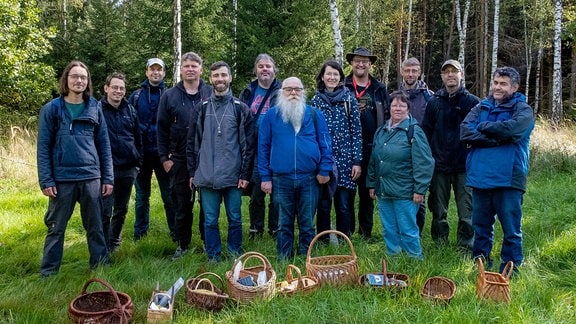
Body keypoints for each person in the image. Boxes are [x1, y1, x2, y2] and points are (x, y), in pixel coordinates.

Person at [37, 60, 112, 276]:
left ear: (87, 82)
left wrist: (108, 178)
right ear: (66, 80)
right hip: (62, 179)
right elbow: (43, 147)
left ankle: (100, 267)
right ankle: (49, 272)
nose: (79, 80)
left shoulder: (95, 107)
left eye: (83, 77)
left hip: (91, 177)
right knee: (55, 228)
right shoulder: (51, 109)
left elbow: (104, 145)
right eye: (74, 77)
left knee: (95, 226)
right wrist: (46, 180)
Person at [461, 67, 534, 272]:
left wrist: (483, 127)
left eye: (503, 84)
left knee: (511, 229)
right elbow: (465, 131)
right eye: (495, 83)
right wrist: (496, 139)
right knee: (481, 228)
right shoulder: (481, 107)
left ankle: (510, 269)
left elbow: (513, 130)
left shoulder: (523, 109)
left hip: (509, 178)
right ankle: (481, 265)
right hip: (480, 176)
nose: (497, 87)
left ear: (515, 87)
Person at [187, 61, 255, 262]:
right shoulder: (201, 108)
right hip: (207, 175)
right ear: (210, 79)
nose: (220, 79)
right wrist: (193, 173)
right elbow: (192, 143)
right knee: (209, 220)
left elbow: (248, 146)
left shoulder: (240, 109)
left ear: (230, 78)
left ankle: (235, 255)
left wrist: (245, 174)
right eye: (216, 76)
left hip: (233, 176)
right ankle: (213, 256)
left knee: (235, 218)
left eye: (223, 75)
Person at [259, 77, 334, 259]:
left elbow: (325, 143)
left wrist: (324, 169)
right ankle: (284, 259)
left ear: (303, 92)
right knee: (284, 223)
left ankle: (307, 259)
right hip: (280, 178)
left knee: (307, 223)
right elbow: (263, 146)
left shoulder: (315, 114)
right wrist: (265, 177)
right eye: (288, 89)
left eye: (297, 89)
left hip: (309, 177)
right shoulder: (271, 115)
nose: (293, 93)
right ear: (281, 92)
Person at [157, 52, 213, 260]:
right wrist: (165, 158)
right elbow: (161, 129)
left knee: (207, 204)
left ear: (201, 69)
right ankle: (183, 244)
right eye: (186, 65)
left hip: (206, 157)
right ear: (180, 69)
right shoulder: (170, 95)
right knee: (182, 204)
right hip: (178, 158)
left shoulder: (209, 92)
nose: (190, 69)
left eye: (194, 66)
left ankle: (208, 242)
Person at [421, 59, 480, 250]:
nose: (450, 75)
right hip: (439, 166)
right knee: (438, 211)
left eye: (454, 72)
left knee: (467, 212)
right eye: (446, 72)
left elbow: (479, 133)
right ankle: (440, 243)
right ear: (442, 77)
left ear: (461, 74)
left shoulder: (472, 102)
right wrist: (428, 160)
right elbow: (426, 133)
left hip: (465, 166)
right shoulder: (434, 103)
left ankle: (466, 246)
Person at [367, 91, 434, 259]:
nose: (398, 108)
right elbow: (374, 160)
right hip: (384, 190)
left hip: (405, 191)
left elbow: (425, 162)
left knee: (408, 229)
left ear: (408, 109)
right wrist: (372, 184)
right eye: (394, 104)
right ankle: (394, 259)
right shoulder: (381, 131)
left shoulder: (413, 131)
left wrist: (420, 190)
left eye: (402, 105)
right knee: (388, 228)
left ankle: (414, 260)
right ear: (389, 107)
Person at [311, 60, 362, 238]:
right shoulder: (315, 101)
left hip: (346, 160)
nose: (332, 77)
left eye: (335, 74)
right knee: (323, 204)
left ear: (340, 77)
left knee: (344, 204)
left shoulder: (349, 99)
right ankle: (322, 241)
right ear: (322, 77)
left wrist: (357, 161)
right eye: (328, 74)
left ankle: (344, 239)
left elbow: (356, 131)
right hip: (324, 161)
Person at [344, 46, 390, 240]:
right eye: (357, 60)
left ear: (370, 64)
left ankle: (365, 233)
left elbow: (387, 116)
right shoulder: (343, 85)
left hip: (372, 148)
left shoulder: (379, 89)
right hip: (347, 148)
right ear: (352, 63)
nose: (361, 64)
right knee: (346, 193)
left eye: (365, 60)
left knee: (367, 193)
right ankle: (345, 233)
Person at [128, 58, 175, 241]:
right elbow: (129, 124)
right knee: (141, 197)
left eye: (159, 69)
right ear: (146, 72)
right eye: (152, 69)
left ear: (164, 73)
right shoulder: (137, 96)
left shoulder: (171, 95)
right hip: (142, 156)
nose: (156, 72)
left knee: (169, 197)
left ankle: (176, 233)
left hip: (164, 156)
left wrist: (171, 151)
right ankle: (140, 234)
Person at [239, 54, 282, 239]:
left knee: (277, 193)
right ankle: (256, 229)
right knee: (257, 191)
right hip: (255, 148)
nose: (265, 69)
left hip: (278, 148)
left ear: (274, 70)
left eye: (268, 66)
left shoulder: (283, 91)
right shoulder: (248, 92)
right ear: (256, 70)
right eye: (261, 66)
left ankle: (275, 229)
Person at [100, 72, 142, 252]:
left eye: (121, 88)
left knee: (121, 209)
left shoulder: (130, 111)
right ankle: (101, 246)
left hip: (127, 168)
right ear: (106, 88)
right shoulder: (97, 110)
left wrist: (137, 162)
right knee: (104, 210)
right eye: (115, 87)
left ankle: (114, 243)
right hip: (104, 169)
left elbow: (138, 137)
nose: (118, 91)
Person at [399, 57, 434, 235]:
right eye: (407, 70)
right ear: (402, 72)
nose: (410, 74)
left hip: (420, 152)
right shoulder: (395, 95)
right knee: (401, 194)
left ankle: (416, 234)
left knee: (419, 195)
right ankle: (402, 231)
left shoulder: (429, 96)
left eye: (414, 71)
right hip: (399, 152)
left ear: (419, 72)